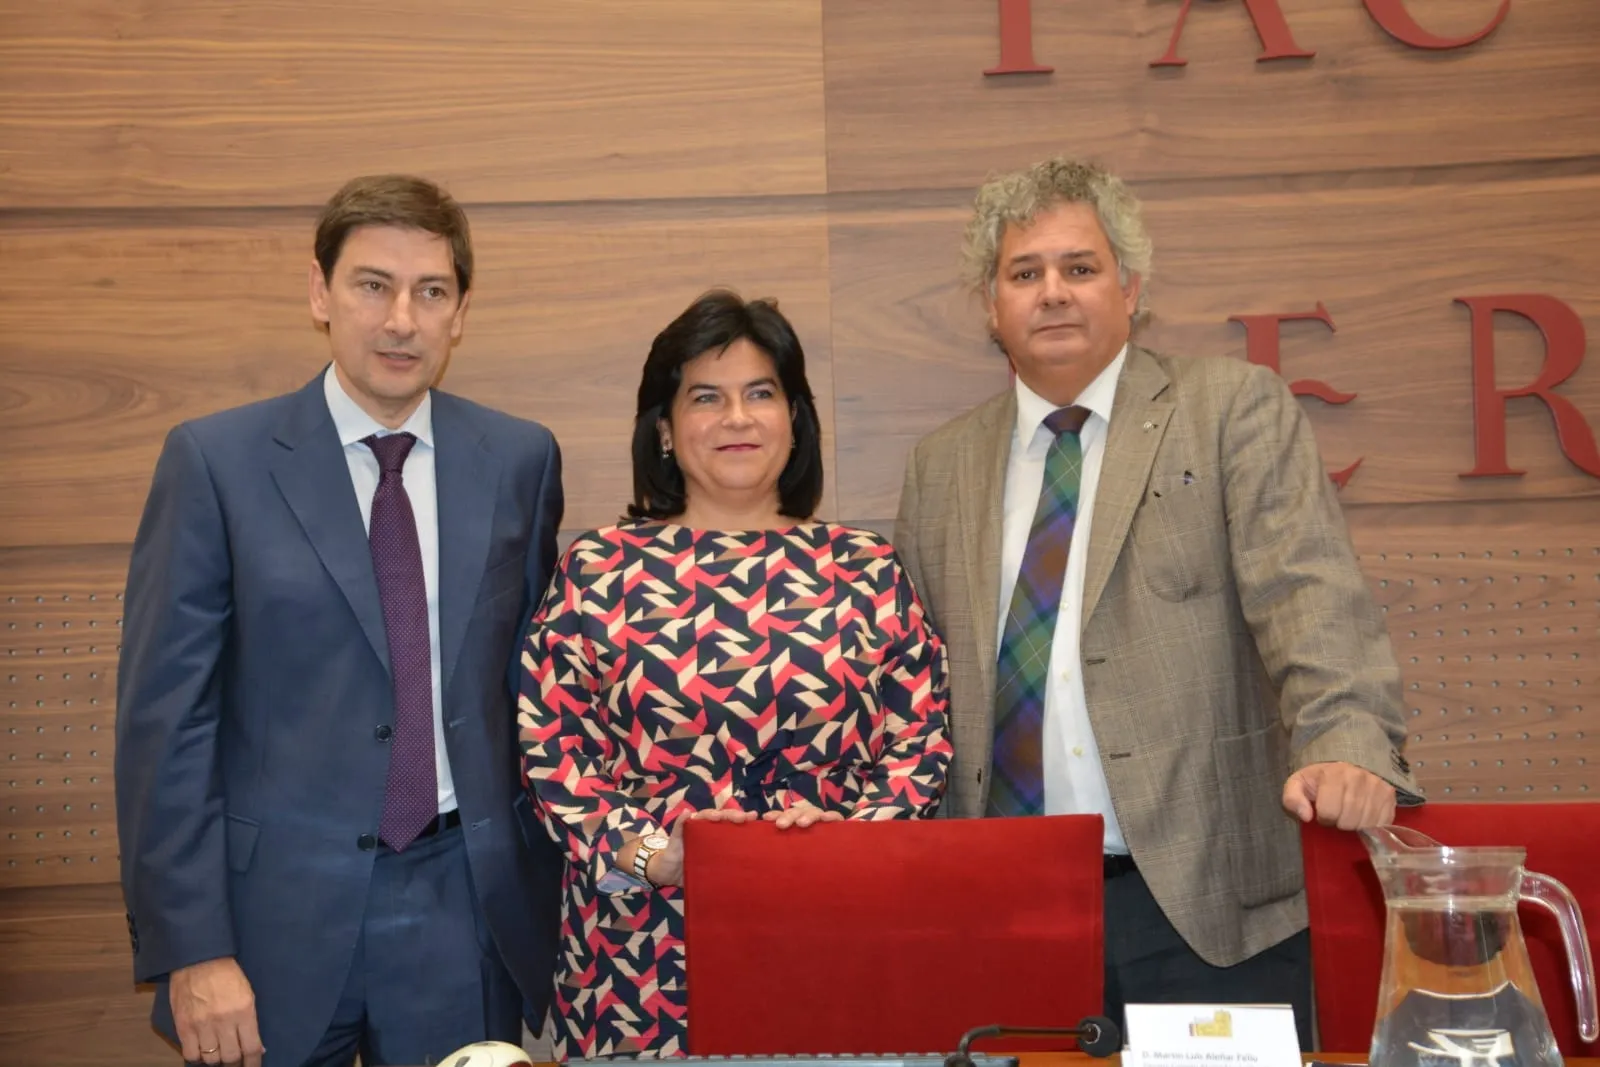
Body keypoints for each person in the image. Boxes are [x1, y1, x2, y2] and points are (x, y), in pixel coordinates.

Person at [892, 157, 1421, 1046]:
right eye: (1025, 273)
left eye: (1080, 267)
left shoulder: (1229, 409)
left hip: (1206, 903)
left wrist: (1348, 741)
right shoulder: (939, 464)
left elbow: (1311, 600)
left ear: (1131, 288)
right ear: (992, 306)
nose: (1052, 292)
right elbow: (910, 679)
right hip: (1003, 903)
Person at [115, 174, 566, 1067]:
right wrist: (193, 946)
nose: (401, 318)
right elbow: (167, 722)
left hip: (460, 908)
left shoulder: (520, 460)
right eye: (372, 284)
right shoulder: (216, 462)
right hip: (269, 923)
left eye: (430, 292)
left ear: (460, 312)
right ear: (320, 293)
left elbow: (537, 691)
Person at [518, 289, 952, 1058]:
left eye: (761, 393)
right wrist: (656, 854)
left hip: (835, 938)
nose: (738, 418)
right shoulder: (598, 568)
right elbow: (555, 754)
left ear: (795, 419)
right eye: (706, 398)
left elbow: (920, 748)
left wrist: (842, 845)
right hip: (638, 957)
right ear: (664, 426)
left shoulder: (865, 566)